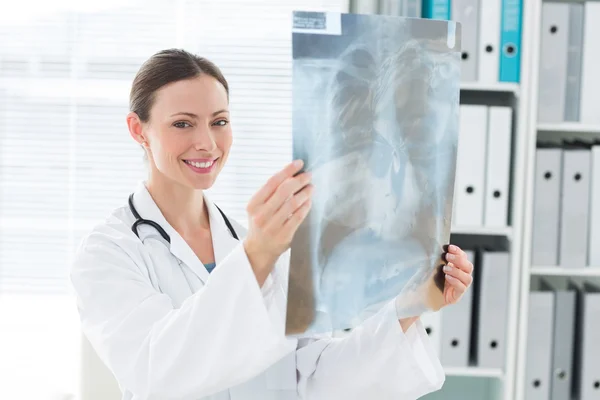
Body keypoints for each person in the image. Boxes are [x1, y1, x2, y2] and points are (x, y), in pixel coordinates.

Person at [70, 48, 474, 400]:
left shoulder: (258, 245)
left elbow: (314, 380)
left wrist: (411, 305)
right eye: (183, 123)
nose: (207, 143)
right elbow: (157, 370)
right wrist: (257, 254)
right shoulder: (109, 252)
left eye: (219, 121)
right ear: (137, 129)